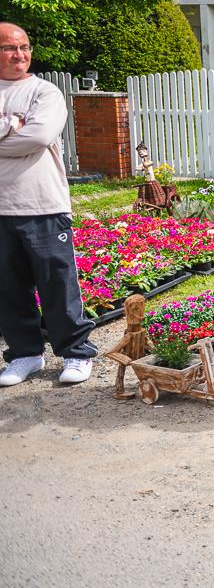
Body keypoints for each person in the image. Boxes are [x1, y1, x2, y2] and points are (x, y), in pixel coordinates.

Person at [0, 22, 97, 386]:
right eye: (9, 48)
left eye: (24, 47)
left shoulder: (45, 92)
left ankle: (76, 352)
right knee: (8, 288)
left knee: (58, 283)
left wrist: (14, 130)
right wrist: (13, 125)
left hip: (42, 204)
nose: (19, 54)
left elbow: (39, 136)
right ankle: (25, 354)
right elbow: (25, 139)